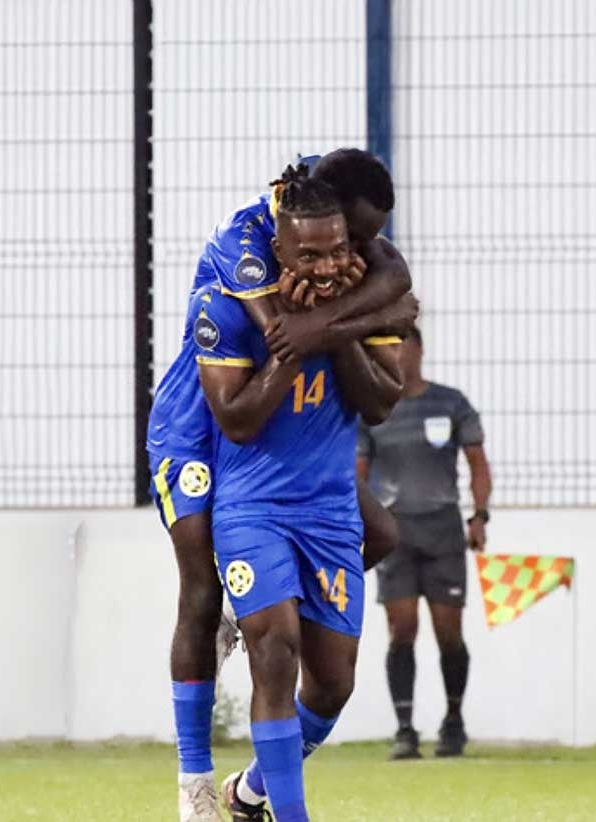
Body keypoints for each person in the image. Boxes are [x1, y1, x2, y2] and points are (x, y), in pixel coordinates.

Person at [147, 151, 416, 820]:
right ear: (287, 236)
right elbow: (269, 359)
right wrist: (323, 323)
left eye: (356, 242)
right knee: (204, 592)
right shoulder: (243, 250)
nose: (356, 253)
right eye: (352, 238)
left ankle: (255, 786)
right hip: (195, 426)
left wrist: (335, 317)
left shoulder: (340, 244)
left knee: (379, 534)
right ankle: (196, 787)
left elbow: (399, 289)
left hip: (299, 473)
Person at [356, 326, 493, 759]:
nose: (396, 355)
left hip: (443, 529)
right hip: (394, 532)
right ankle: (404, 728)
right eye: (388, 348)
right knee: (402, 630)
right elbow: (357, 474)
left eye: (402, 346)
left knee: (448, 631)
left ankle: (454, 720)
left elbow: (477, 463)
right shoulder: (372, 410)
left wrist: (480, 514)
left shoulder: (450, 403)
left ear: (419, 349)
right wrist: (359, 525)